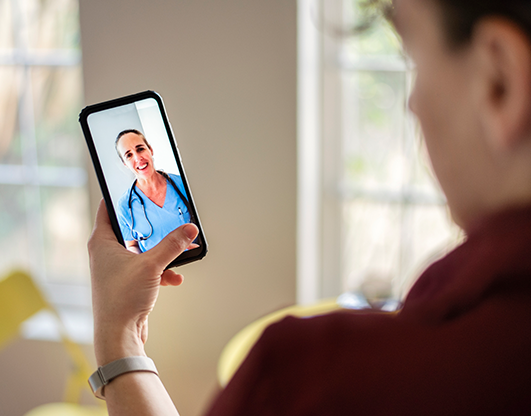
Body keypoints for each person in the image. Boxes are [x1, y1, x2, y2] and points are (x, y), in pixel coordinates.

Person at [87, 0, 531, 414]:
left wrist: (118, 338)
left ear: (501, 80)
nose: (412, 104)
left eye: (415, 59)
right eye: (129, 155)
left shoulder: (306, 380)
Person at [114, 129, 192, 254]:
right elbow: (132, 245)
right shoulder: (124, 205)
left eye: (140, 149)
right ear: (125, 164)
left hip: (194, 260)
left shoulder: (182, 184)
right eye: (129, 155)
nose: (138, 158)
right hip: (157, 271)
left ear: (150, 150)